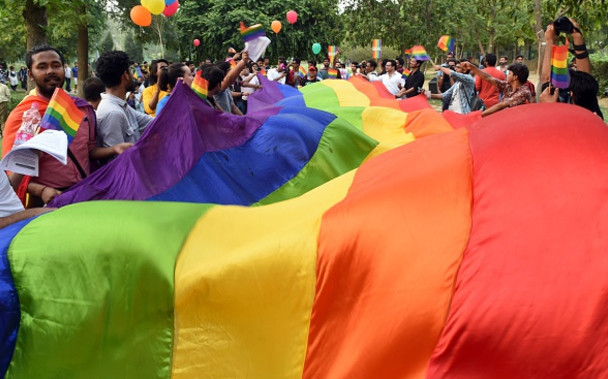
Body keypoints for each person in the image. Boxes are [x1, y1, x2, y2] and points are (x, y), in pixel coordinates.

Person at [2, 45, 128, 206]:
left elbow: (88, 151)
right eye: (42, 67)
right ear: (30, 74)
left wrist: (114, 149)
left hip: (85, 196)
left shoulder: (81, 108)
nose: (50, 71)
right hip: (46, 203)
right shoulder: (24, 116)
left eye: (56, 65)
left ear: (63, 68)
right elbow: (10, 172)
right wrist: (41, 190)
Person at [539, 18, 603, 120]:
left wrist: (549, 41)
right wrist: (577, 36)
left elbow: (546, 79)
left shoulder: (563, 119)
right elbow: (585, 78)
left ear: (572, 94)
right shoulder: (594, 114)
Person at [95, 50, 152, 156]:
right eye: (130, 70)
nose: (133, 75)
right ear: (125, 75)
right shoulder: (113, 113)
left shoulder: (122, 107)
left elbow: (154, 123)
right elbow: (119, 163)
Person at [462, 61, 532, 117]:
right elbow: (488, 78)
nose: (507, 75)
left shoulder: (524, 92)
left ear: (515, 77)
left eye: (509, 73)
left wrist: (478, 115)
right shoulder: (508, 86)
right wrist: (472, 67)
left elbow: (502, 105)